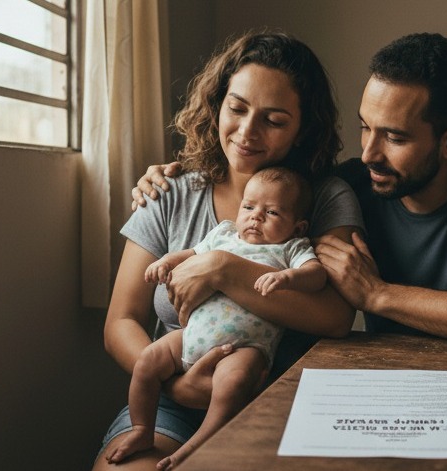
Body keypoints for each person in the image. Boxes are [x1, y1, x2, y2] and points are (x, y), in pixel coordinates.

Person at [132, 32, 447, 347]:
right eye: (364, 128)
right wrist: (173, 175)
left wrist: (379, 295)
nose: (369, 153)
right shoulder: (352, 183)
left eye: (394, 138)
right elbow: (270, 183)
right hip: (389, 383)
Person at [95, 31, 362, 471]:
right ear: (217, 104)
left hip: (286, 397)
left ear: (302, 130)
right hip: (169, 401)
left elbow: (335, 317)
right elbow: (120, 322)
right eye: (236, 109)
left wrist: (222, 268)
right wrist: (178, 386)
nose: (246, 132)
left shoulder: (323, 198)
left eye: (274, 121)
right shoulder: (168, 194)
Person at [105, 167, 325, 469]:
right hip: (192, 336)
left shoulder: (290, 248)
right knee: (148, 360)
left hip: (245, 347)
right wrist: (166, 261)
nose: (255, 217)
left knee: (232, 382)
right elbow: (191, 253)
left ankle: (202, 441)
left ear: (298, 227)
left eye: (272, 212)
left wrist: (289, 278)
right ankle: (143, 429)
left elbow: (316, 275)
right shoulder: (223, 233)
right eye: (248, 207)